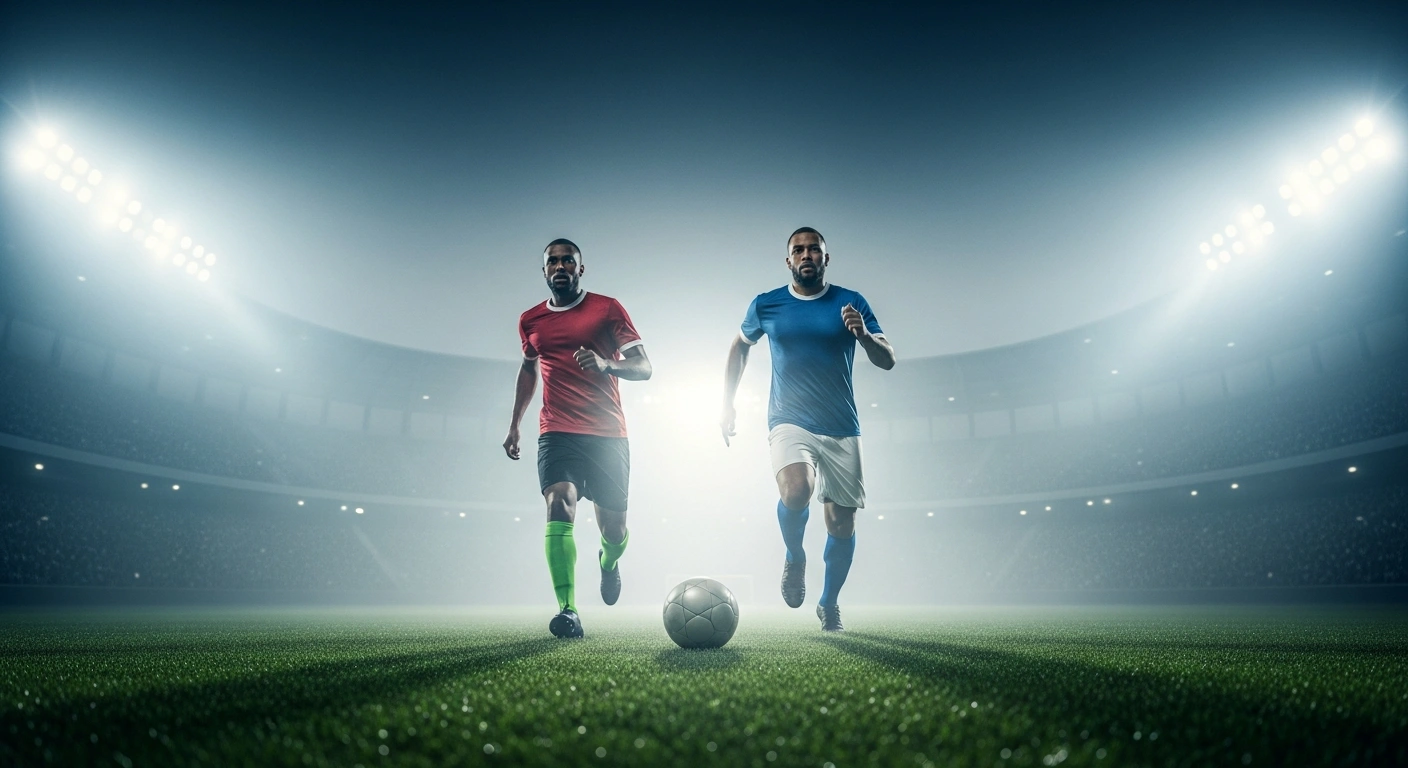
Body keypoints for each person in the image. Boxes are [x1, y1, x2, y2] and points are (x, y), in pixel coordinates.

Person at [720, 227, 894, 632]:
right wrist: (726, 401)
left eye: (814, 249)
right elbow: (740, 345)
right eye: (798, 250)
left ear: (826, 258)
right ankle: (795, 556)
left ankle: (829, 603)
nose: (806, 255)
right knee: (796, 490)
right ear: (788, 261)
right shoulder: (767, 305)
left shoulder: (851, 302)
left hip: (842, 427)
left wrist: (864, 336)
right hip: (789, 419)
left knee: (841, 525)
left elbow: (887, 359)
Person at [504, 238, 652, 638]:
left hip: (607, 434)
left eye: (568, 260)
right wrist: (516, 423)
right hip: (557, 431)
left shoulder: (607, 308)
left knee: (614, 530)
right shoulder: (530, 320)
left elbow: (644, 367)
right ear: (545, 271)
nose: (560, 266)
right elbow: (528, 368)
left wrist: (608, 364)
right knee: (558, 504)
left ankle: (608, 561)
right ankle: (568, 610)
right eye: (552, 261)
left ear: (580, 269)